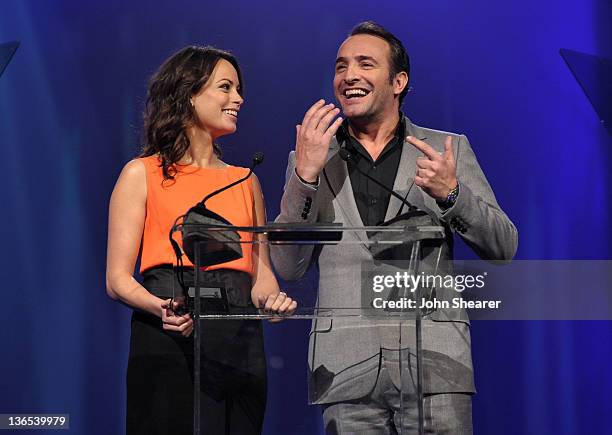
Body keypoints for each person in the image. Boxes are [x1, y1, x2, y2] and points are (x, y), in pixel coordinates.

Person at [271, 21, 518, 434]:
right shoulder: (311, 159)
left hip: (435, 365)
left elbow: (503, 245)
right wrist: (304, 178)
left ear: (398, 81)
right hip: (345, 367)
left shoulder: (446, 150)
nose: (348, 76)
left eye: (365, 64)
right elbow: (288, 266)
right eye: (340, 66)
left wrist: (451, 193)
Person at [106, 45, 296, 435]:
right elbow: (118, 280)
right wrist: (164, 309)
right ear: (189, 94)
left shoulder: (246, 180)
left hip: (240, 342)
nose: (238, 99)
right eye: (225, 87)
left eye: (239, 89)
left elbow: (261, 276)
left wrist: (273, 301)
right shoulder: (141, 174)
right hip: (171, 331)